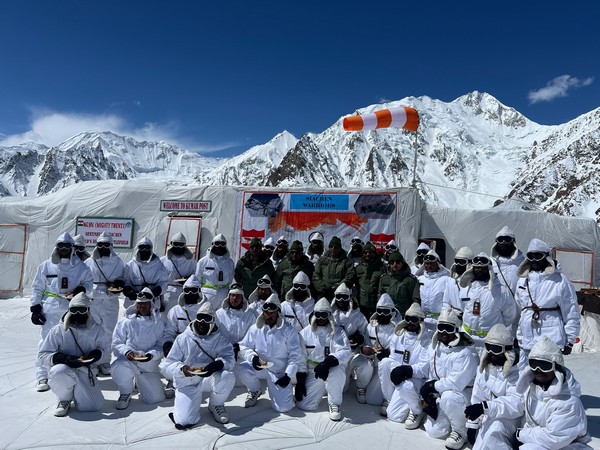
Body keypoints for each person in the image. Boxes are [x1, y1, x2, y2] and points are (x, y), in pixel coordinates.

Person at [30, 232, 93, 392]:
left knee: (68, 341)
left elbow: (89, 284)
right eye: (61, 246)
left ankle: (64, 373)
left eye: (67, 246)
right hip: (50, 308)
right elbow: (37, 287)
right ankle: (42, 375)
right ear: (56, 248)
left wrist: (81, 289)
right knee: (45, 341)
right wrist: (36, 307)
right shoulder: (46, 266)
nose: (64, 249)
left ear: (72, 248)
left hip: (71, 309)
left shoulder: (81, 266)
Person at [161, 303, 235, 428]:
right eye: (199, 318)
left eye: (206, 319)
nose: (202, 322)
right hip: (187, 380)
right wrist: (182, 369)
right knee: (184, 421)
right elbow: (169, 363)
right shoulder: (183, 338)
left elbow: (230, 359)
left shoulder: (220, 339)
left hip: (207, 378)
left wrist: (218, 364)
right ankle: (181, 411)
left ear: (212, 322)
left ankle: (215, 404)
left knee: (227, 376)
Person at [38, 293, 109, 417]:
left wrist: (98, 354)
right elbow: (42, 356)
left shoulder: (97, 330)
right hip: (65, 370)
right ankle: (64, 398)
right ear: (69, 310)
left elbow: (105, 351)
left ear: (88, 311)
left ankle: (78, 392)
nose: (78, 314)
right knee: (58, 371)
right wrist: (63, 359)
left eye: (82, 310)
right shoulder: (58, 330)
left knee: (94, 407)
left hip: (86, 370)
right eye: (74, 310)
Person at [513, 336, 591, 449]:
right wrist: (485, 407)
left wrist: (521, 434)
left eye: (545, 365)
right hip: (540, 441)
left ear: (556, 368)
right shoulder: (533, 389)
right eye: (534, 364)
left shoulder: (568, 402)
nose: (538, 369)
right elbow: (515, 401)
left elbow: (553, 438)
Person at [515, 238, 580, 369]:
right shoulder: (522, 281)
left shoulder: (560, 280)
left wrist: (571, 340)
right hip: (527, 338)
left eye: (538, 256)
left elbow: (571, 310)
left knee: (550, 373)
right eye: (530, 256)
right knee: (526, 374)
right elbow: (520, 308)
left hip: (551, 338)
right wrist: (519, 335)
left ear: (547, 256)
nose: (534, 260)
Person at [419, 308, 478, 450]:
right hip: (442, 392)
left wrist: (433, 386)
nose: (444, 332)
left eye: (448, 328)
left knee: (448, 396)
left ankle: (460, 432)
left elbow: (455, 384)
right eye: (441, 327)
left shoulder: (464, 353)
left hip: (461, 395)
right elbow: (430, 373)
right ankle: (446, 420)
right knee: (435, 433)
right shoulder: (435, 348)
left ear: (456, 330)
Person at [238, 294, 301, 413]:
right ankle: (255, 390)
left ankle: (285, 394)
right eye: (266, 312)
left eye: (272, 312)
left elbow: (295, 354)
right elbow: (244, 345)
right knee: (242, 368)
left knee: (283, 408)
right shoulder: (256, 328)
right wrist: (253, 358)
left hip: (279, 371)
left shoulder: (288, 330)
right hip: (261, 366)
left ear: (278, 312)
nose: (269, 315)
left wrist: (288, 375)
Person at [463, 324, 521, 449]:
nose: (492, 353)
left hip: (511, 420)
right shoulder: (484, 370)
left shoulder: (517, 373)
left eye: (497, 349)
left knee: (493, 433)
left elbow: (516, 404)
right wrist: (472, 425)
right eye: (489, 347)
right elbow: (477, 398)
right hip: (489, 416)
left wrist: (485, 407)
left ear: (507, 351)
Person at [295, 298, 352, 421]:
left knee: (337, 370)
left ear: (329, 315)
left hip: (331, 369)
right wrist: (300, 382)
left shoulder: (338, 332)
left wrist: (327, 363)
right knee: (305, 405)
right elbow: (301, 358)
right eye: (318, 315)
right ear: (314, 314)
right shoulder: (305, 333)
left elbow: (345, 351)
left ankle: (335, 403)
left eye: (324, 315)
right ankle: (325, 389)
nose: (321, 318)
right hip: (314, 371)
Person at [111, 288, 166, 410]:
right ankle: (125, 392)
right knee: (118, 366)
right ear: (136, 304)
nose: (143, 306)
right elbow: (117, 341)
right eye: (140, 304)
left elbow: (161, 345)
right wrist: (127, 352)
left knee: (155, 399)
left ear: (151, 304)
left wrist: (151, 355)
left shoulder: (159, 323)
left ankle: (145, 382)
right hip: (129, 360)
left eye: (146, 303)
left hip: (149, 364)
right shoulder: (126, 321)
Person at [378, 302, 431, 428]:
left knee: (407, 386)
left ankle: (417, 410)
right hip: (399, 375)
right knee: (384, 363)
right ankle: (389, 399)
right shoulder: (398, 336)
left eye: (414, 319)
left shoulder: (426, 341)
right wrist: (398, 369)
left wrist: (407, 370)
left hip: (416, 378)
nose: (411, 323)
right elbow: (392, 358)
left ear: (420, 321)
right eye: (408, 319)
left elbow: (425, 368)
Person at [458, 253, 517, 355]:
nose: (479, 270)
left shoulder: (500, 291)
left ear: (489, 269)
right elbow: (462, 307)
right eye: (477, 268)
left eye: (483, 268)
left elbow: (510, 316)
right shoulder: (467, 288)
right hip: (467, 339)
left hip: (489, 342)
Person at [85, 232, 125, 376]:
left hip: (110, 302)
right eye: (100, 244)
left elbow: (122, 278)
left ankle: (105, 360)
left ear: (111, 246)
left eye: (106, 245)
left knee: (109, 332)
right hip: (93, 301)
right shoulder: (89, 262)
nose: (103, 247)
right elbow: (85, 282)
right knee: (92, 331)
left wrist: (119, 283)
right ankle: (93, 361)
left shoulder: (118, 262)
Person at [354, 293, 401, 414]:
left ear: (391, 312)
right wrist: (363, 348)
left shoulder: (398, 329)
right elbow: (364, 342)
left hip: (386, 365)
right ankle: (361, 387)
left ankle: (388, 399)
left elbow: (400, 350)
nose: (382, 315)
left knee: (372, 399)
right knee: (362, 364)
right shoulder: (371, 326)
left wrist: (389, 353)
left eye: (386, 312)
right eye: (380, 311)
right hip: (372, 361)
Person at [162, 275, 204, 398]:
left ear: (199, 291)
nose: (190, 293)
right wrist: (167, 344)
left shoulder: (205, 310)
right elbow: (169, 332)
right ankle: (172, 379)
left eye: (194, 290)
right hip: (180, 344)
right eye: (187, 290)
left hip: (200, 344)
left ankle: (195, 382)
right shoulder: (175, 310)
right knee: (167, 363)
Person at [330, 283, 369, 401]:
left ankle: (361, 387)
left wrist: (360, 338)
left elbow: (365, 333)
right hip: (337, 353)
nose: (341, 300)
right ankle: (348, 376)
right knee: (343, 389)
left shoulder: (358, 315)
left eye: (344, 297)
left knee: (366, 366)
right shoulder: (331, 314)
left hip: (353, 352)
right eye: (338, 297)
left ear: (350, 299)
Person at [215, 284, 258, 384]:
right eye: (232, 295)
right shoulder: (219, 314)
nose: (235, 298)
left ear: (242, 298)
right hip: (224, 351)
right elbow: (215, 334)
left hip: (244, 351)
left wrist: (240, 346)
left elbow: (255, 335)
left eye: (238, 296)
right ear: (228, 297)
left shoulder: (250, 314)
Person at [123, 237, 169, 312]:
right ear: (138, 249)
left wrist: (156, 291)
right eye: (142, 248)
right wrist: (128, 290)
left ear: (151, 250)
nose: (144, 251)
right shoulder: (131, 265)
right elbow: (126, 280)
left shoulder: (158, 265)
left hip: (152, 302)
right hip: (134, 303)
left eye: (147, 248)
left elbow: (164, 281)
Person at [416, 250, 455, 333]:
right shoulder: (420, 279)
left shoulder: (446, 280)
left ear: (438, 264)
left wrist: (444, 318)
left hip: (439, 321)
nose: (429, 266)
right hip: (422, 320)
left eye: (432, 263)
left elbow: (448, 302)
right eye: (427, 263)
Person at [195, 234, 235, 311]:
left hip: (223, 295)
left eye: (222, 244)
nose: (219, 246)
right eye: (217, 243)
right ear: (212, 244)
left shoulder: (230, 262)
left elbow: (230, 279)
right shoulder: (203, 261)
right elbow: (197, 278)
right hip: (207, 295)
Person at [160, 233, 197, 315]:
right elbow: (158, 281)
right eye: (176, 244)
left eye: (181, 245)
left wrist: (188, 280)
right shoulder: (163, 261)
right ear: (171, 244)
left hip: (184, 294)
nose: (178, 247)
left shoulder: (191, 261)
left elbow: (196, 277)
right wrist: (159, 300)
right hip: (167, 294)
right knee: (166, 317)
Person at [378, 251, 420, 317]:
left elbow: (415, 299)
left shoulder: (410, 279)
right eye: (392, 262)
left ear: (402, 263)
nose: (395, 264)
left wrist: (413, 315)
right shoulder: (384, 278)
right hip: (388, 315)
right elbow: (380, 297)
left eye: (397, 262)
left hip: (404, 315)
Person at [313, 236, 356, 300]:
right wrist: (322, 289)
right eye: (331, 247)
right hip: (323, 294)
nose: (333, 249)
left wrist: (334, 289)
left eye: (336, 247)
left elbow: (350, 277)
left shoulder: (346, 262)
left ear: (340, 248)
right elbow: (316, 275)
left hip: (340, 295)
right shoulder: (322, 260)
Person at [355, 242, 385, 318]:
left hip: (377, 304)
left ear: (374, 253)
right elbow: (356, 286)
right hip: (362, 305)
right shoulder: (359, 268)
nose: (368, 254)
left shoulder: (382, 268)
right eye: (365, 252)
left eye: (370, 252)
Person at [444, 247, 474, 315]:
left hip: (468, 317)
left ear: (469, 264)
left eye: (462, 262)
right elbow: (446, 302)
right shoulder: (450, 280)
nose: (458, 264)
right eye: (456, 261)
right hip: (453, 317)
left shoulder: (474, 282)